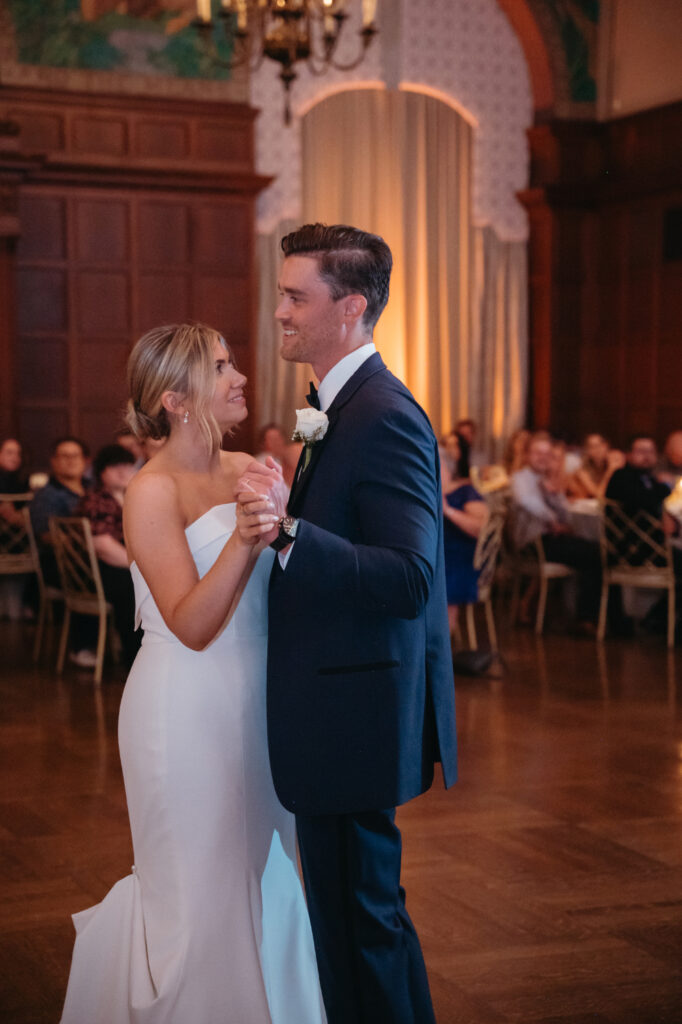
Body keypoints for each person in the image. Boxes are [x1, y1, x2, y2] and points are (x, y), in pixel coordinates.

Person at [60, 323, 325, 1023]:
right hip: (183, 706)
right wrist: (244, 537)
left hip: (263, 702)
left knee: (264, 873)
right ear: (177, 399)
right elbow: (192, 623)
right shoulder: (151, 491)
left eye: (232, 361)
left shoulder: (252, 470)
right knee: (199, 886)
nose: (239, 376)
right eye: (219, 367)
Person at [256, 223, 457, 1024]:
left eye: (294, 296)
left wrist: (286, 530)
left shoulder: (384, 415)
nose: (278, 312)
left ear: (351, 307)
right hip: (338, 708)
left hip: (355, 716)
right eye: (280, 293)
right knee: (355, 923)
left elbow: (410, 577)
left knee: (361, 924)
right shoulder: (333, 407)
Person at [511, 431, 601, 628]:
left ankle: (582, 614)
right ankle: (584, 618)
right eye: (537, 453)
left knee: (595, 550)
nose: (543, 458)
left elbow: (566, 515)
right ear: (527, 455)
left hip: (551, 539)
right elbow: (528, 502)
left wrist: (554, 492)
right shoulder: (521, 478)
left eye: (547, 454)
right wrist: (552, 520)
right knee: (593, 554)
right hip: (533, 542)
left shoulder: (548, 479)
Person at [29, 436, 96, 665]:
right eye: (63, 456)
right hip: (60, 564)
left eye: (75, 456)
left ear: (86, 461)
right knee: (92, 575)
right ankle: (82, 646)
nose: (70, 461)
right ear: (54, 462)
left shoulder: (93, 489)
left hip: (94, 557)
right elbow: (48, 536)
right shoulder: (47, 494)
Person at [74, 444, 141, 666]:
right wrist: (141, 566)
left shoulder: (133, 497)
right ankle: (134, 658)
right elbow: (102, 546)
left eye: (128, 466)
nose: (123, 472)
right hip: (93, 574)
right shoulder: (96, 500)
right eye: (115, 467)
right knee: (133, 586)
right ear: (102, 471)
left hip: (117, 567)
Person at [441, 434, 488, 636]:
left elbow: (480, 528)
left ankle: (441, 641)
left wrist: (447, 510)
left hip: (462, 559)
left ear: (448, 469)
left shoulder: (465, 491)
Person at [568, 433, 624, 499]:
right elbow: (599, 495)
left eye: (600, 445)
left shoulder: (615, 459)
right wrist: (610, 470)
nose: (597, 449)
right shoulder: (582, 471)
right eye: (592, 447)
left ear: (607, 446)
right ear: (587, 451)